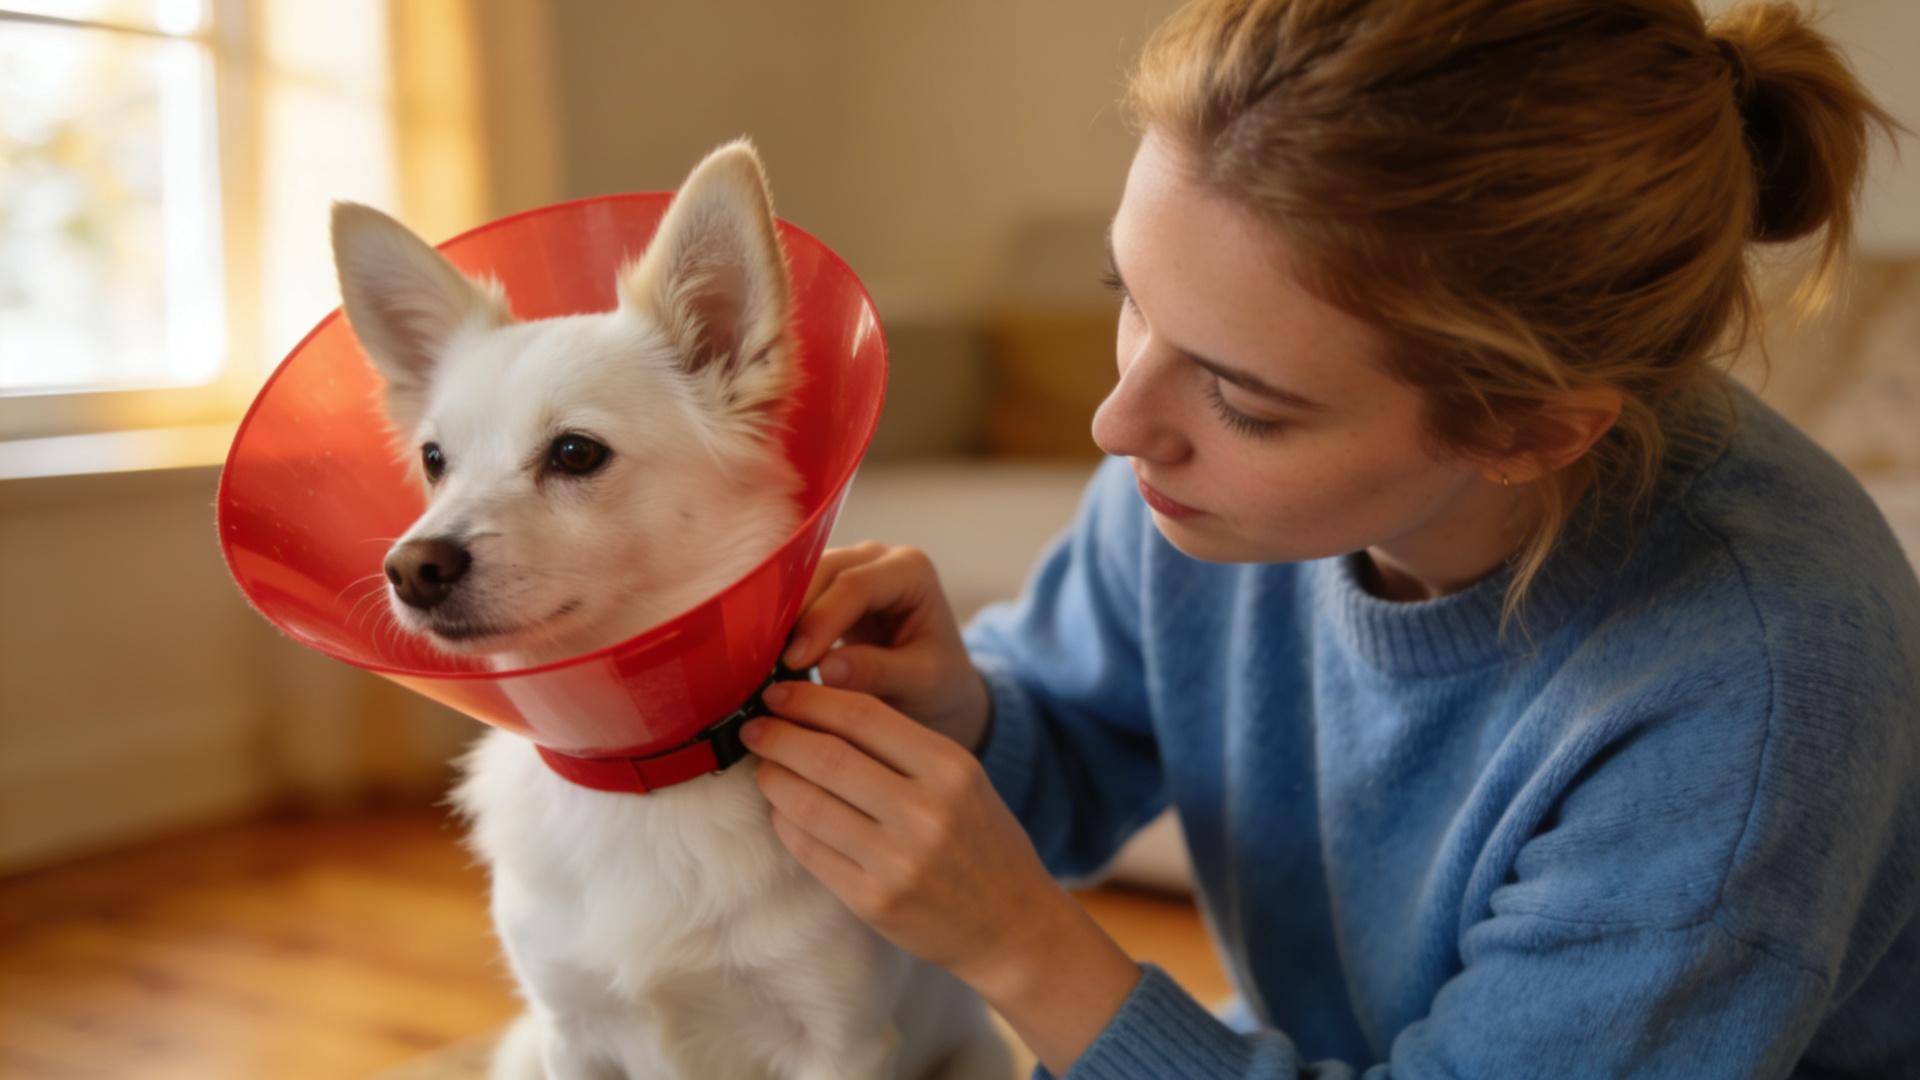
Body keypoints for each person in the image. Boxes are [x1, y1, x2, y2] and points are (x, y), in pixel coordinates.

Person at [736, 0, 1919, 1075]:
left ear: (1526, 430)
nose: (1119, 423)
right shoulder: (1191, 479)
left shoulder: (1756, 686)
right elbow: (1073, 744)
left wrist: (1024, 953)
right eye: (1129, 298)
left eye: (1245, 401)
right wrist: (968, 719)